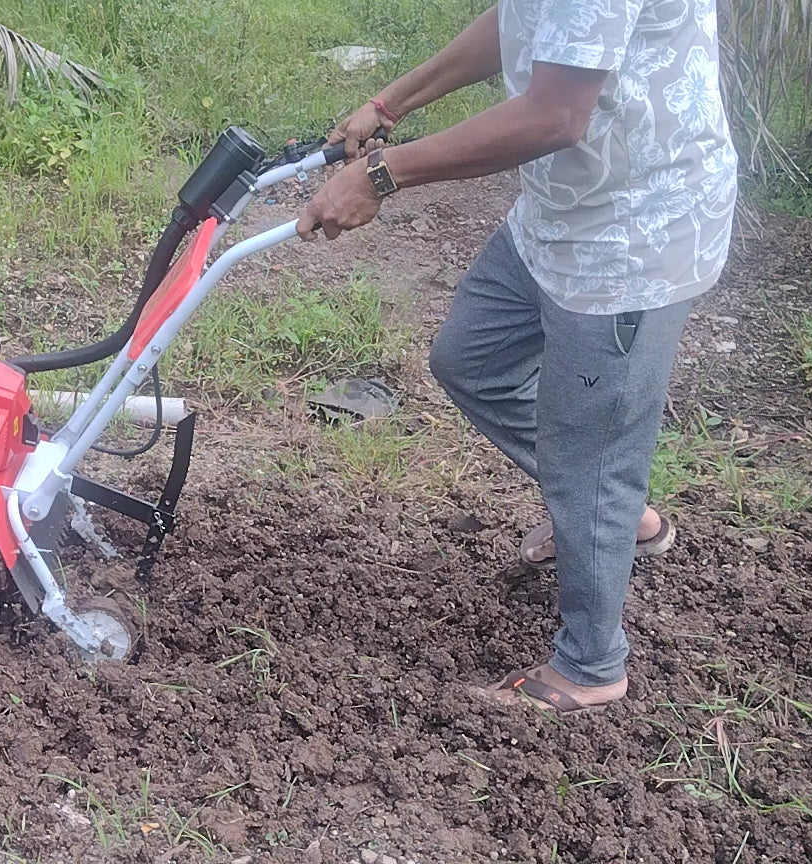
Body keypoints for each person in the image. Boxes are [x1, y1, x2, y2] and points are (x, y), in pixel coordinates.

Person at [297, 0, 737, 713]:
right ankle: (616, 516)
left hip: (632, 237)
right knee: (472, 360)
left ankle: (591, 666)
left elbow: (555, 116)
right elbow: (523, 17)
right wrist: (390, 103)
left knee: (592, 459)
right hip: (557, 215)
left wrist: (382, 174)